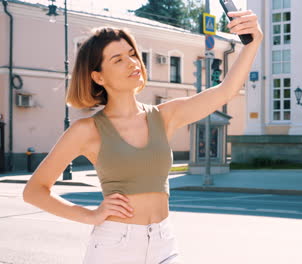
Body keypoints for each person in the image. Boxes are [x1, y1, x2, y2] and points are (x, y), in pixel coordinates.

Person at [22, 9, 263, 264]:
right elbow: (34, 191)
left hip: (163, 240)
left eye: (132, 54)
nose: (132, 63)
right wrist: (89, 215)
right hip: (115, 246)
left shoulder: (163, 116)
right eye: (118, 59)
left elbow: (225, 92)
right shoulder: (87, 130)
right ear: (98, 76)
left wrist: (253, 42)